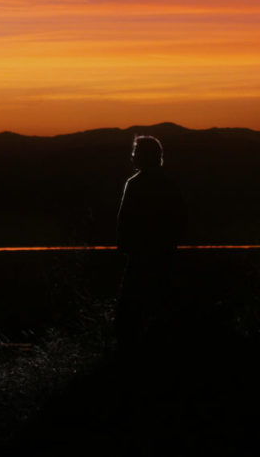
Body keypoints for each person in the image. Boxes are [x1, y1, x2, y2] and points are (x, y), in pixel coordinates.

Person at [115, 135, 188, 358]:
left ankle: (129, 358)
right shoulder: (170, 183)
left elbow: (124, 221)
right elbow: (180, 220)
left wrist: (127, 247)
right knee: (162, 308)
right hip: (165, 256)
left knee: (129, 313)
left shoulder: (134, 184)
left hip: (140, 258)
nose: (133, 157)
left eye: (136, 152)